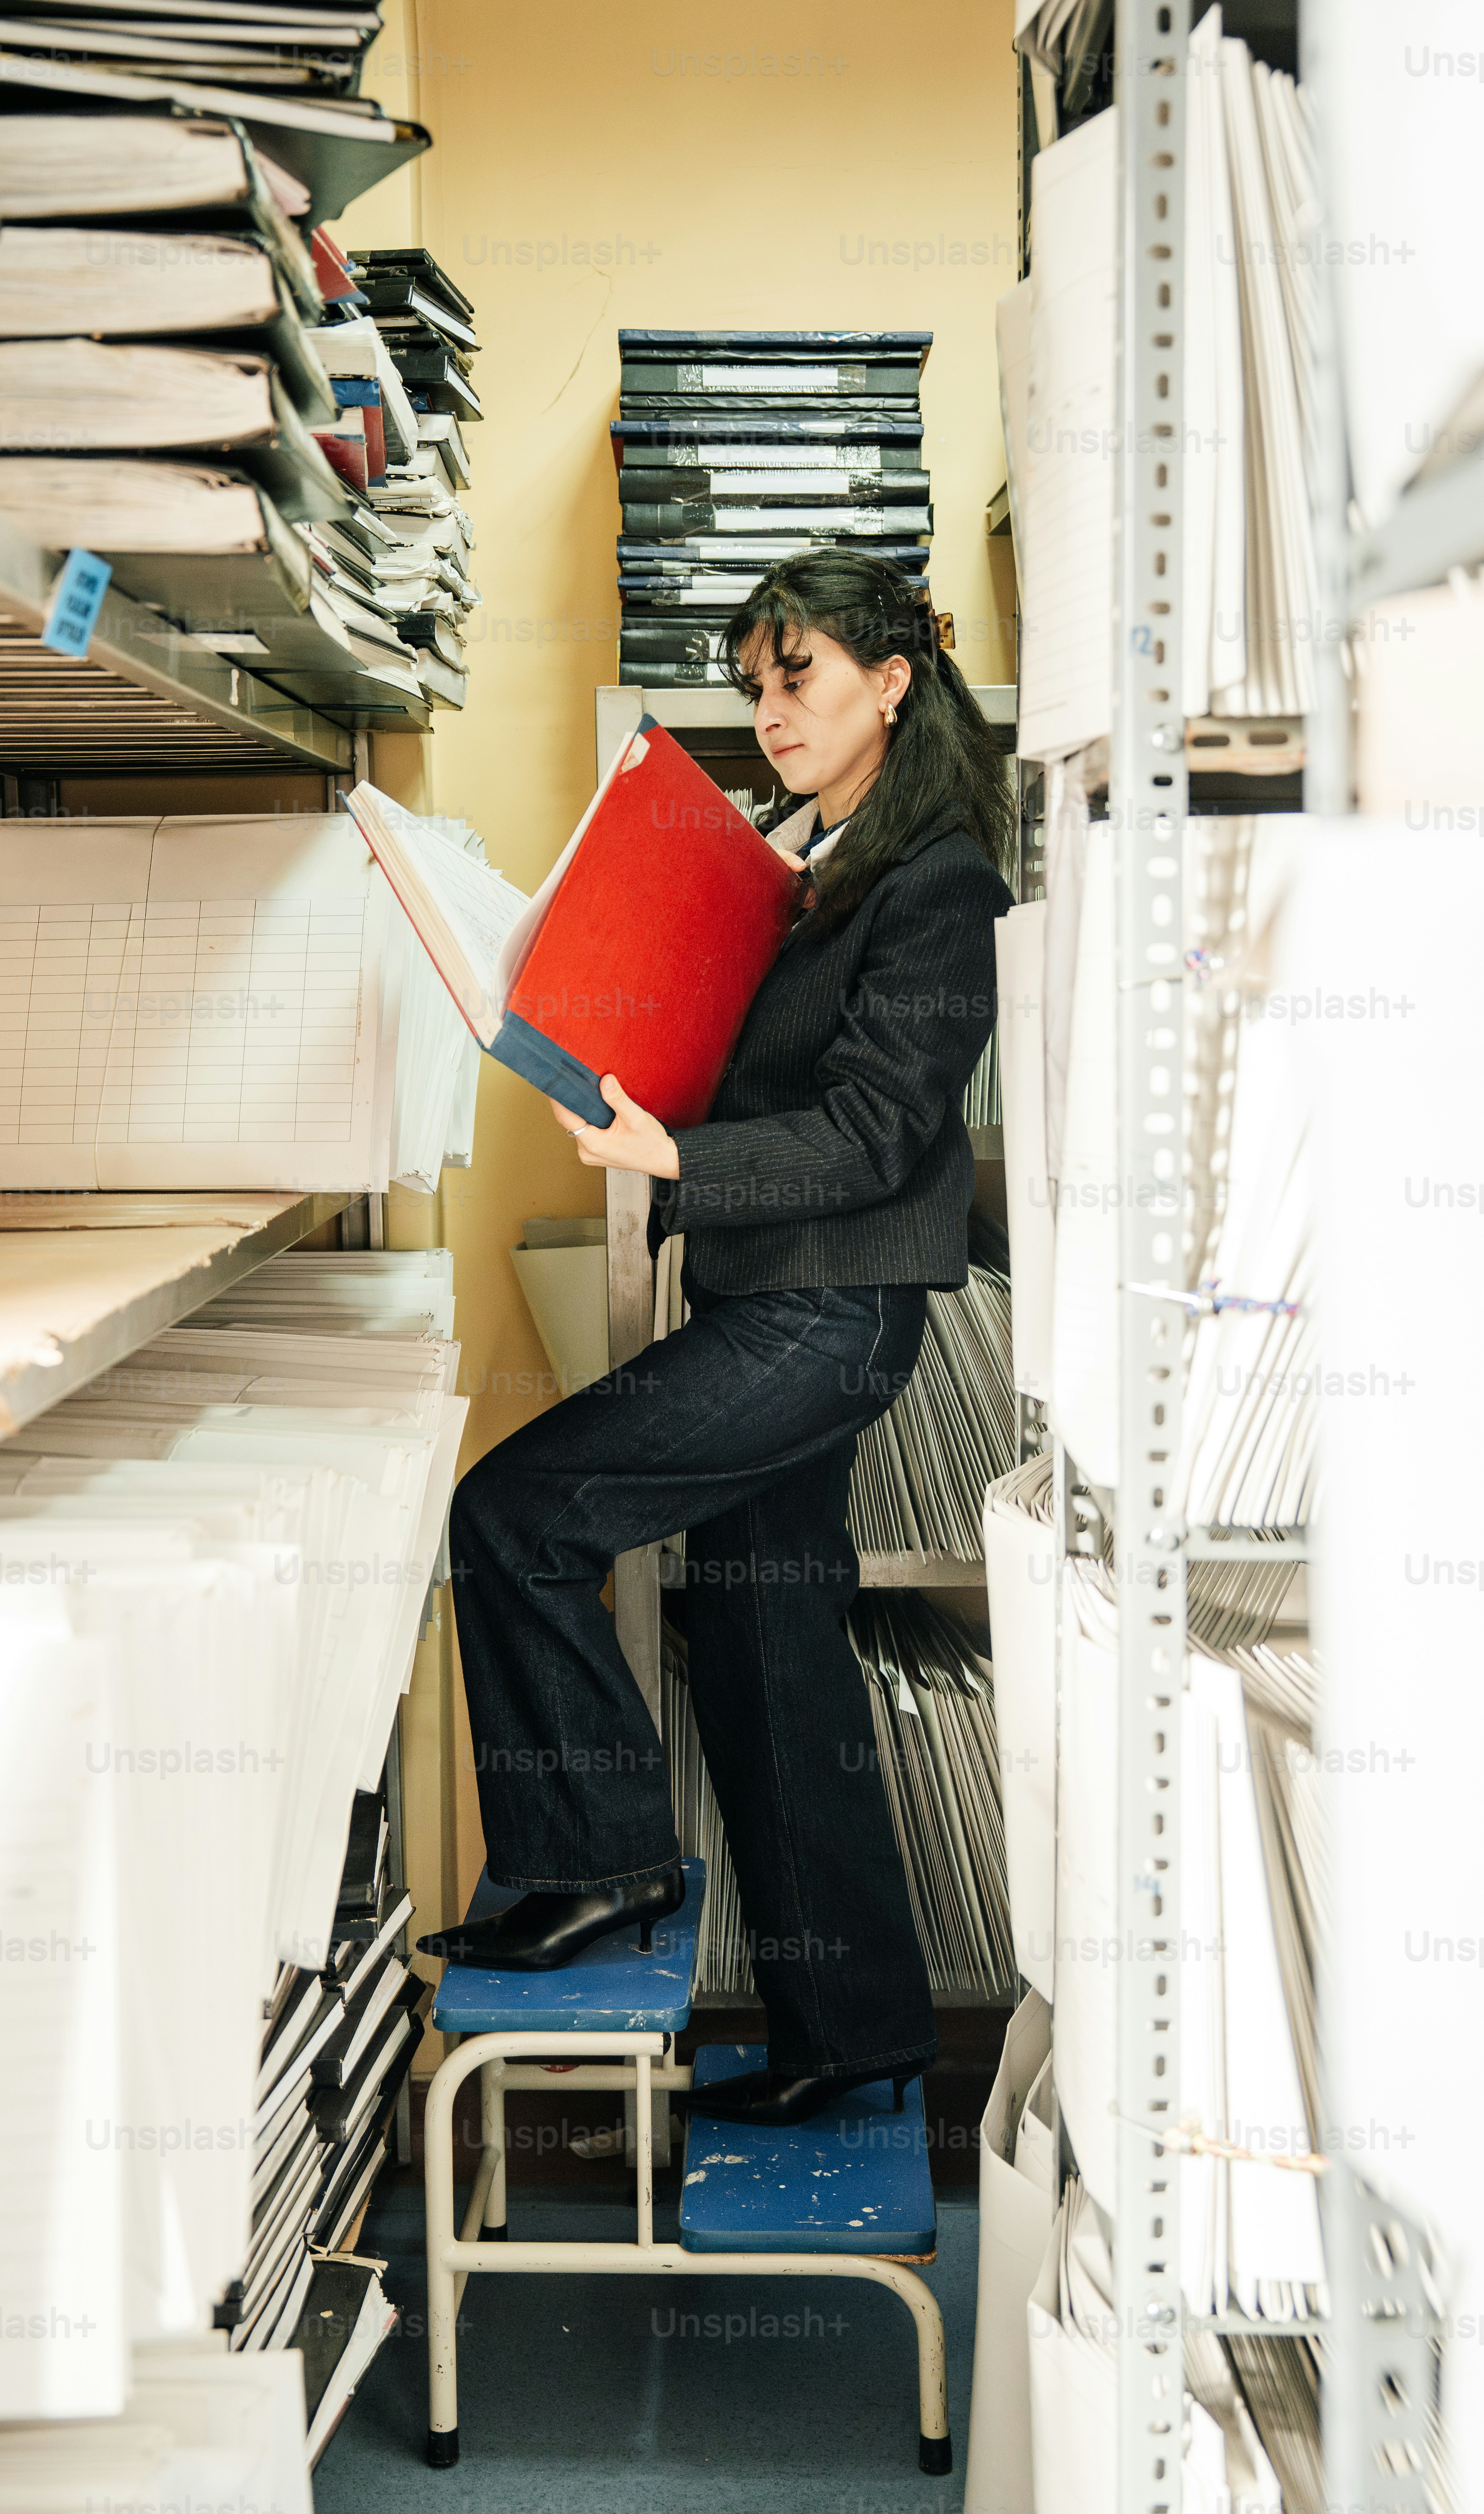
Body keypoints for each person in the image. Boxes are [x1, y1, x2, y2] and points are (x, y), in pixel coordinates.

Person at [418, 549, 1015, 2128]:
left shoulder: (937, 876)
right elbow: (738, 1060)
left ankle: (596, 1861)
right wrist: (608, 1049)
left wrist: (672, 1159)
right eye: (753, 683)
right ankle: (855, 2026)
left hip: (829, 1317)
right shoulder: (805, 859)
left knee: (518, 1510)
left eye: (795, 676)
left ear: (894, 680)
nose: (768, 712)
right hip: (772, 1301)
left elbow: (883, 1131)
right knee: (769, 1656)